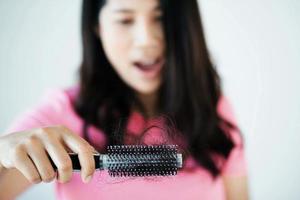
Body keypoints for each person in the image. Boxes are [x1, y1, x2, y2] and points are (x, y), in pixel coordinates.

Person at [0, 0, 249, 199]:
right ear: (97, 27)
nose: (147, 39)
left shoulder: (213, 110)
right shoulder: (57, 115)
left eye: (161, 17)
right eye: (125, 19)